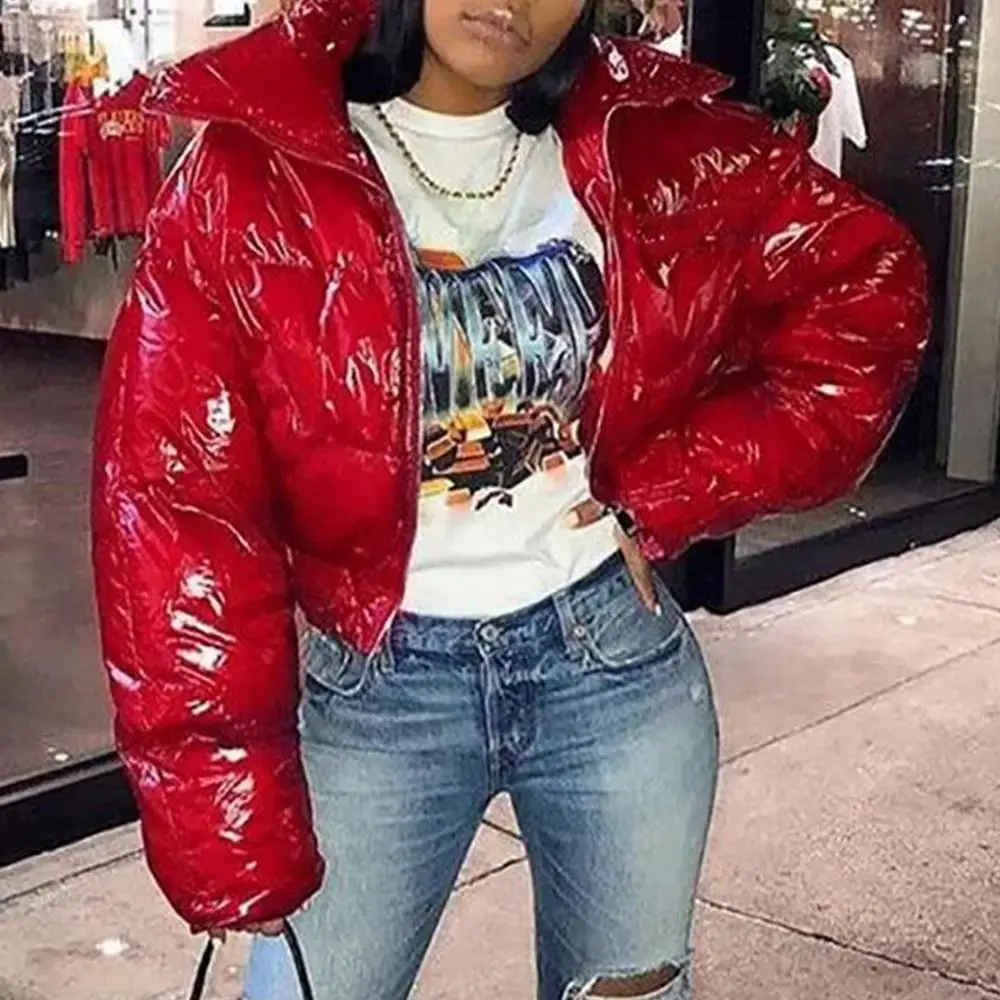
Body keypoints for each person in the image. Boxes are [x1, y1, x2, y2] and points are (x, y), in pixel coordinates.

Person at [90, 1, 928, 998]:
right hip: (375, 686)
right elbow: (178, 504)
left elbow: (867, 290)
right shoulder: (255, 169)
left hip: (609, 664)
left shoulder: (656, 145)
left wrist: (677, 480)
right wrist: (223, 809)